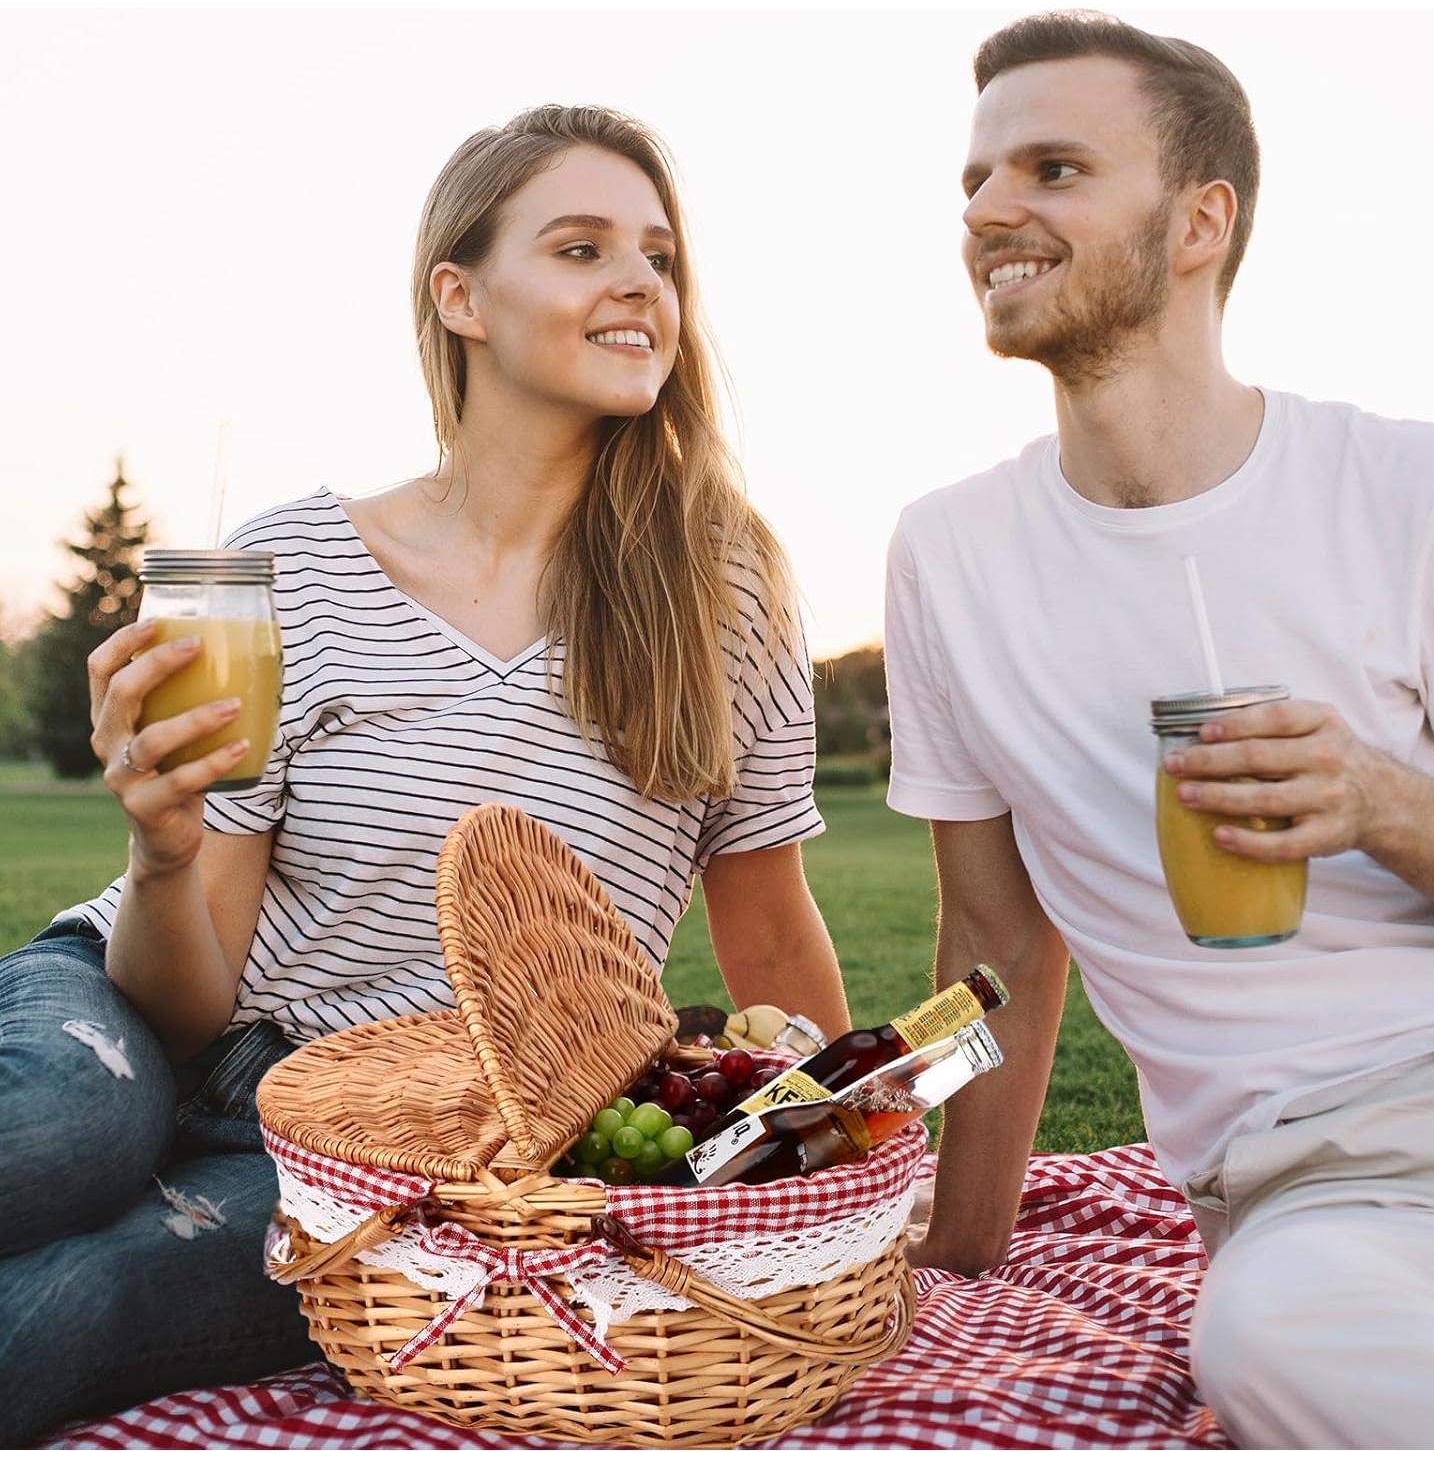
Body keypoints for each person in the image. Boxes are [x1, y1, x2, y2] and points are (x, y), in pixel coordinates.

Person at [0, 104, 850, 1445]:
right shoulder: (291, 566)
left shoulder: (720, 593)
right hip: (139, 1006)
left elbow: (768, 923)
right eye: (581, 248)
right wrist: (161, 856)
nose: (639, 283)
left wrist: (839, 1173)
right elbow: (179, 1004)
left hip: (397, 1153)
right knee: (58, 1137)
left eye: (660, 257)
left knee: (72, 1311)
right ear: (460, 295)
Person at [885, 11, 1434, 1449]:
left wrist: (1386, 804)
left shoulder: (1422, 491)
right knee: (1277, 1343)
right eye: (974, 182)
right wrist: (963, 1246)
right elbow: (992, 942)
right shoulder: (949, 557)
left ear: (1198, 223)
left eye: (1049, 168)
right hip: (1350, 1191)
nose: (987, 211)